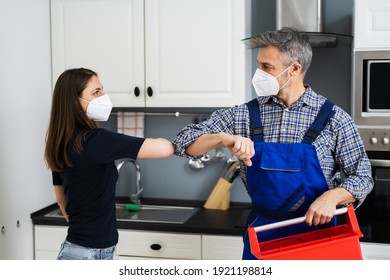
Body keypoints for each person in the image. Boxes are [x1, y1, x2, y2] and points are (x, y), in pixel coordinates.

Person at [173, 27, 374, 259]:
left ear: (295, 69)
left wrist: (332, 198)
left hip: (320, 236)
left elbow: (362, 176)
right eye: (259, 64)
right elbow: (184, 142)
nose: (259, 73)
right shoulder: (244, 115)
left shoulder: (334, 118)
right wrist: (223, 138)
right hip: (264, 235)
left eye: (267, 67)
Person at [44, 68, 174, 260]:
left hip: (80, 251)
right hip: (89, 255)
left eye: (102, 90)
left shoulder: (60, 142)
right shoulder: (96, 140)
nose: (104, 97)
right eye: (96, 93)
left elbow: (62, 201)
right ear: (74, 101)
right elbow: (164, 148)